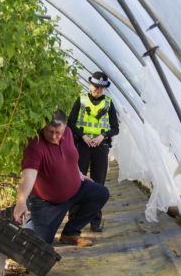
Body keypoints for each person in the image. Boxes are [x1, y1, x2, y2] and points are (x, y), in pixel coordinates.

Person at [13, 110, 109, 247]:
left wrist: (79, 173)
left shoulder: (69, 133)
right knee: (37, 243)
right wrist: (21, 202)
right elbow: (29, 174)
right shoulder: (35, 143)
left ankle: (70, 232)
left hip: (75, 190)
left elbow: (72, 156)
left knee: (101, 193)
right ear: (44, 126)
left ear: (64, 128)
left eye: (58, 132)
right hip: (47, 202)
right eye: (50, 131)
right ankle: (30, 222)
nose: (53, 136)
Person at [67, 71, 119, 232]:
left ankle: (95, 221)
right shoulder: (81, 100)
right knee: (78, 181)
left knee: (98, 183)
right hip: (82, 145)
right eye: (96, 87)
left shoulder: (109, 103)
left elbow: (115, 128)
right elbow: (70, 122)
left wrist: (102, 136)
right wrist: (82, 136)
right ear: (90, 85)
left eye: (102, 88)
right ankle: (74, 220)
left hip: (100, 147)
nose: (98, 90)